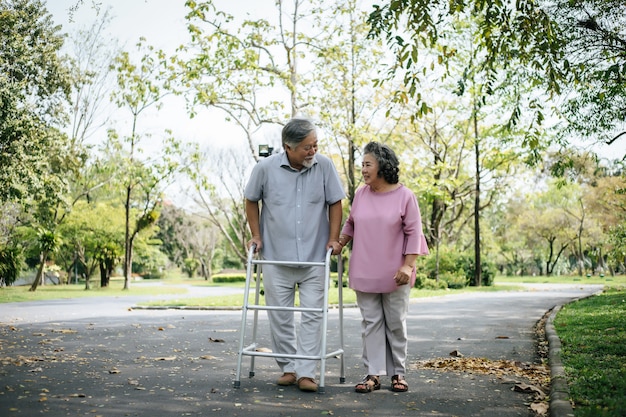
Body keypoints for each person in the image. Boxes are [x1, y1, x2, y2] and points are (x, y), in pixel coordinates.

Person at [244, 117, 346, 393]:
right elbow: (251, 199)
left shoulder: (324, 166)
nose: (312, 151)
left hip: (315, 256)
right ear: (287, 147)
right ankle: (289, 367)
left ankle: (306, 372)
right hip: (276, 256)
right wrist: (256, 235)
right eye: (306, 147)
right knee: (280, 315)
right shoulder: (264, 168)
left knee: (313, 314)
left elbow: (335, 202)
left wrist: (334, 238)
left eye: (315, 145)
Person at [337, 141, 429, 393]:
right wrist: (340, 243)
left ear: (383, 167)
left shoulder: (405, 196)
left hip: (396, 273)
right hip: (364, 269)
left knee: (396, 322)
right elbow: (351, 223)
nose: (363, 170)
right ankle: (373, 374)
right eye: (362, 165)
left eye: (368, 164)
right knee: (371, 323)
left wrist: (409, 267)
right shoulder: (361, 194)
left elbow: (414, 233)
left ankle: (398, 372)